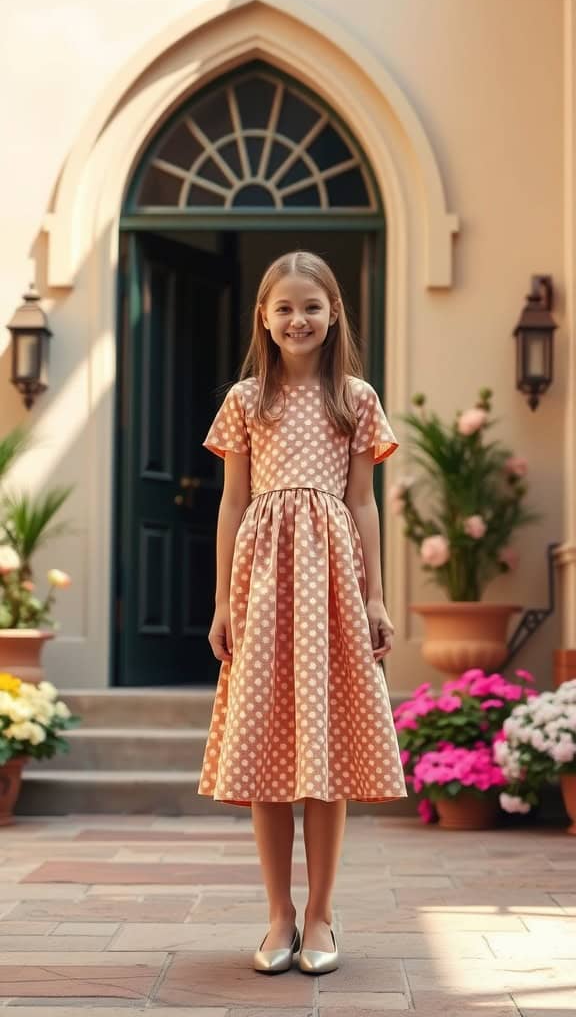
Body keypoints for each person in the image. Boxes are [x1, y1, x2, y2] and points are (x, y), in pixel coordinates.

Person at [199, 250, 407, 975]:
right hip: (261, 583)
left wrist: (375, 595)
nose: (298, 319)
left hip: (331, 585)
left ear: (334, 313)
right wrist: (224, 600)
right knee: (264, 750)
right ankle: (278, 915)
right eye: (284, 307)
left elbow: (361, 503)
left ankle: (320, 914)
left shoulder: (356, 398)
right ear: (264, 315)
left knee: (323, 749)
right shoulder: (245, 400)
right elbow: (231, 502)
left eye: (311, 307)